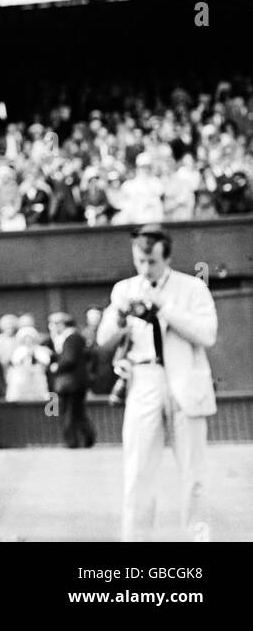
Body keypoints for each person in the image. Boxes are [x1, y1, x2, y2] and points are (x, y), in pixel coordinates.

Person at [97, 224, 217, 541]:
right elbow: (103, 340)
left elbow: (207, 334)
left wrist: (164, 306)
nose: (146, 268)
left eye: (152, 262)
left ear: (167, 257)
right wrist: (120, 316)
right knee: (137, 471)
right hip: (144, 378)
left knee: (194, 474)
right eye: (140, 262)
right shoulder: (124, 289)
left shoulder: (192, 288)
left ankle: (198, 539)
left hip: (185, 380)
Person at [46, 311, 95, 448]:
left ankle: (72, 441)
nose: (52, 327)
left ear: (61, 324)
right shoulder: (73, 337)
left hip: (71, 383)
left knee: (69, 412)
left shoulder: (71, 338)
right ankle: (87, 439)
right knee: (78, 413)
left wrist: (56, 367)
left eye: (54, 324)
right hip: (76, 383)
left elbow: (69, 359)